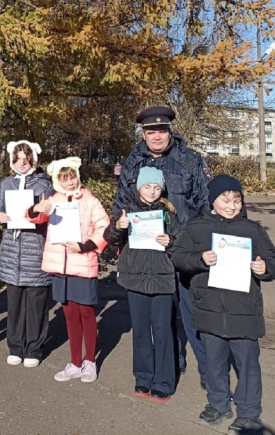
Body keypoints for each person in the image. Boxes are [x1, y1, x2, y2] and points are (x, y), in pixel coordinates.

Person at [171, 175, 275, 432]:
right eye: (225, 200)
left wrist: (265, 268)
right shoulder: (195, 227)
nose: (232, 206)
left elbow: (274, 262)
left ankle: (249, 412)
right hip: (209, 308)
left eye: (237, 200)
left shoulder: (252, 230)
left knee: (247, 362)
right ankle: (218, 403)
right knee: (214, 361)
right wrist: (200, 259)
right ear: (212, 200)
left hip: (244, 310)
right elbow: (177, 256)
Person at [113, 106, 212, 383]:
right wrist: (121, 232)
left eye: (162, 130)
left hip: (185, 249)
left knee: (194, 312)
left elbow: (206, 203)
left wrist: (200, 244)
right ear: (143, 134)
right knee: (161, 314)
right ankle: (173, 362)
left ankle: (209, 372)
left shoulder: (190, 160)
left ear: (170, 131)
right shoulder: (132, 163)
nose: (157, 136)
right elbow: (121, 207)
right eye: (151, 131)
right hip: (149, 254)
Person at [26, 157, 110, 383]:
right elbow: (34, 217)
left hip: (82, 264)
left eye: (72, 177)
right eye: (64, 179)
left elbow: (104, 227)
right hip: (60, 268)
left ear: (77, 177)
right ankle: (74, 363)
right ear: (57, 181)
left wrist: (85, 246)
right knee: (70, 316)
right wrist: (35, 208)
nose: (70, 182)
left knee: (87, 313)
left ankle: (90, 361)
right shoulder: (53, 200)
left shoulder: (90, 200)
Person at [105, 166, 179, 402]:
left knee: (163, 330)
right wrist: (118, 227)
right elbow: (109, 238)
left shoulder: (169, 214)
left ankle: (163, 381)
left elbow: (181, 243)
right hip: (135, 277)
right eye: (147, 186)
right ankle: (143, 377)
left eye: (157, 187)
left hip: (162, 278)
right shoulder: (127, 211)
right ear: (139, 187)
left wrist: (171, 241)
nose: (152, 191)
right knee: (140, 331)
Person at [0, 140, 54, 368]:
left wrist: (42, 212)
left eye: (25, 159)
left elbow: (50, 215)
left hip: (34, 249)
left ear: (33, 160)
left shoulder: (44, 185)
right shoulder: (6, 183)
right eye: (17, 159)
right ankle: (16, 347)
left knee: (36, 305)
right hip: (12, 251)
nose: (21, 163)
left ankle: (34, 348)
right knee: (15, 304)